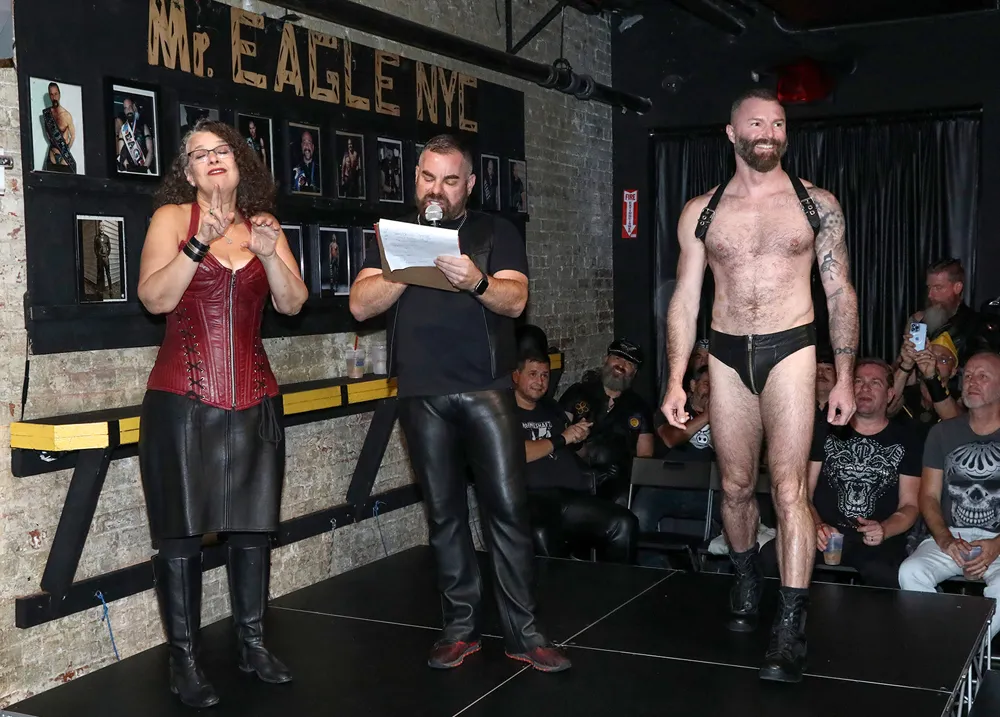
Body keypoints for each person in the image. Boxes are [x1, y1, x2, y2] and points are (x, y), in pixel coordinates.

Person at [349, 134, 570, 673]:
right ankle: (459, 628)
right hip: (420, 391)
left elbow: (516, 300)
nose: (437, 190)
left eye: (450, 180)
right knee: (444, 513)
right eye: (428, 177)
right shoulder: (391, 235)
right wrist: (404, 267)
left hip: (485, 389)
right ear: (415, 178)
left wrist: (477, 281)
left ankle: (524, 632)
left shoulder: (494, 231)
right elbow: (359, 305)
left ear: (468, 184)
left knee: (507, 510)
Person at [662, 87, 859, 683]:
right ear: (732, 133)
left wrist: (845, 376)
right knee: (737, 486)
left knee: (791, 489)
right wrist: (675, 378)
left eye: (778, 124)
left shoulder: (816, 205)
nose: (769, 133)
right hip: (725, 353)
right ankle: (747, 576)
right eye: (757, 124)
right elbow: (685, 297)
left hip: (792, 347)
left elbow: (839, 292)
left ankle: (791, 625)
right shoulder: (702, 211)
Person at [136, 119, 308, 708]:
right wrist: (198, 244)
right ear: (187, 172)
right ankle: (184, 659)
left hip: (255, 398)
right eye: (199, 154)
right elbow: (155, 298)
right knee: (181, 532)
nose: (212, 158)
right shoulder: (172, 219)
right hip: (182, 401)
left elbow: (293, 302)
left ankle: (252, 644)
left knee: (253, 527)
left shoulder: (263, 224)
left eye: (222, 150)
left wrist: (270, 253)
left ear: (240, 162)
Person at [761, 359, 922, 588]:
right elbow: (803, 493)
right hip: (825, 534)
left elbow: (910, 506)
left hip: (876, 539)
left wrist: (885, 529)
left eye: (875, 383)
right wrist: (816, 525)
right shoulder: (825, 430)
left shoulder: (907, 438)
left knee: (884, 572)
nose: (865, 388)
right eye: (858, 381)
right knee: (770, 556)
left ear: (889, 395)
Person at [898, 352, 1000, 640]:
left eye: (983, 376)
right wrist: (945, 539)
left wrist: (996, 545)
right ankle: (943, 643)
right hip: (952, 535)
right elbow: (928, 496)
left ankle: (967, 649)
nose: (972, 382)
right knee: (911, 571)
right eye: (968, 376)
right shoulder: (942, 433)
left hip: (999, 539)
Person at [514, 351, 638, 563]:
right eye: (533, 374)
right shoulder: (504, 413)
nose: (540, 381)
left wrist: (578, 439)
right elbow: (514, 452)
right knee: (543, 534)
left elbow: (577, 453)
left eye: (544, 375)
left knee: (624, 523)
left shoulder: (551, 408)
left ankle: (615, 583)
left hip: (572, 494)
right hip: (533, 498)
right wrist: (562, 438)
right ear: (516, 376)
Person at [41, 82, 76, 173]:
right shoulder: (47, 114)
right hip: (52, 155)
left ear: (59, 94)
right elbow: (48, 135)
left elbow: (72, 136)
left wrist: (66, 152)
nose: (54, 97)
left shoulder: (66, 115)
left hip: (64, 157)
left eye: (56, 94)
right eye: (51, 94)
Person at [116, 97, 155, 174]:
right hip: (129, 171)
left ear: (134, 107)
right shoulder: (123, 130)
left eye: (130, 107)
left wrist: (144, 168)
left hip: (144, 169)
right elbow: (121, 153)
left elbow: (150, 150)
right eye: (125, 108)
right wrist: (128, 168)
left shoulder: (143, 127)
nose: (128, 110)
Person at [94, 228, 113, 297]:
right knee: (99, 274)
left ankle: (110, 289)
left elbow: (109, 248)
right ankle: (99, 289)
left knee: (108, 273)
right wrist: (98, 255)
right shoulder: (96, 237)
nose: (101, 228)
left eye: (103, 227)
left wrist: (107, 255)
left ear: (104, 228)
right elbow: (95, 248)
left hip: (106, 258)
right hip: (99, 259)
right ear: (99, 228)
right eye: (100, 227)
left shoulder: (106, 237)